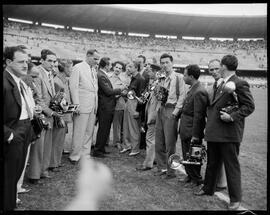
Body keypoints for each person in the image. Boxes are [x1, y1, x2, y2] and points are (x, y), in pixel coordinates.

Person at [195, 55, 255, 210]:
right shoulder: (221, 83)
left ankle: (235, 199)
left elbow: (249, 106)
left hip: (229, 133)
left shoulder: (239, 83)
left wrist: (232, 116)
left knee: (231, 166)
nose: (217, 69)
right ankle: (208, 188)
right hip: (215, 131)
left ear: (223, 66)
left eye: (219, 66)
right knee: (212, 163)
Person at [4, 46, 34, 210]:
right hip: (13, 133)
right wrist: (9, 135)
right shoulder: (5, 81)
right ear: (8, 62)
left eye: (27, 62)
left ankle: (10, 204)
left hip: (24, 128)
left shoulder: (18, 80)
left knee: (15, 174)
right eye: (21, 61)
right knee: (8, 177)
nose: (25, 65)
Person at [28, 49, 59, 183]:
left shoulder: (50, 74)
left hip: (49, 113)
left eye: (54, 61)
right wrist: (51, 112)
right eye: (50, 61)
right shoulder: (37, 72)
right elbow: (38, 98)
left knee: (46, 145)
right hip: (41, 113)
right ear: (42, 60)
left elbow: (49, 96)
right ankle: (34, 175)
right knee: (38, 147)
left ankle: (43, 170)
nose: (52, 63)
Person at [154, 53, 186, 179]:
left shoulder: (179, 77)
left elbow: (182, 96)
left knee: (170, 143)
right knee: (159, 141)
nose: (164, 65)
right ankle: (161, 167)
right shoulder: (161, 78)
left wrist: (175, 112)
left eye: (167, 62)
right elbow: (159, 95)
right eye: (162, 63)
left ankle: (171, 171)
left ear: (172, 63)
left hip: (171, 110)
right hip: (161, 109)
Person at [179, 64, 208, 187]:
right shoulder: (193, 88)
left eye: (185, 75)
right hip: (186, 127)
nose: (183, 77)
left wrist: (196, 135)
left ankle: (196, 179)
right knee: (187, 153)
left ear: (191, 76)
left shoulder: (199, 91)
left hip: (192, 129)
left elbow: (199, 116)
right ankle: (189, 176)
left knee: (193, 156)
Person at [69, 49, 99, 163]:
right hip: (81, 105)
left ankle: (85, 154)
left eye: (98, 59)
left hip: (92, 105)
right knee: (79, 131)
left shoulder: (93, 69)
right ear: (87, 56)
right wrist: (76, 105)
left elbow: (94, 89)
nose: (97, 61)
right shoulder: (78, 67)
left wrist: (95, 104)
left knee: (89, 131)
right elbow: (73, 87)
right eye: (95, 59)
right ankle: (75, 155)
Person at [92, 57, 126, 158]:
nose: (111, 67)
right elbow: (108, 91)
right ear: (105, 65)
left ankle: (101, 149)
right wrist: (120, 89)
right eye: (110, 65)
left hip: (108, 106)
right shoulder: (101, 75)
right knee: (103, 129)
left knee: (105, 129)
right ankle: (98, 151)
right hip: (105, 107)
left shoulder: (102, 74)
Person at [136, 63, 161, 171]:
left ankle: (148, 163)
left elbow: (159, 102)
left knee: (150, 139)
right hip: (149, 114)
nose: (147, 72)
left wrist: (153, 116)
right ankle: (154, 159)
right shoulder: (153, 83)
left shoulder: (159, 84)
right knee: (152, 139)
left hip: (153, 116)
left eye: (149, 70)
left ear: (155, 72)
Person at [207, 59, 227, 191]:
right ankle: (219, 182)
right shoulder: (210, 88)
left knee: (223, 156)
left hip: (225, 127)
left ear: (222, 68)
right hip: (213, 126)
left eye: (216, 69)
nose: (214, 72)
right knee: (214, 156)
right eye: (211, 70)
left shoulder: (229, 85)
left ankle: (221, 182)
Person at [120, 60, 145, 156]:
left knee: (134, 127)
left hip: (134, 105)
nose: (128, 68)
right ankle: (127, 145)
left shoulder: (140, 79)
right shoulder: (133, 78)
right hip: (128, 103)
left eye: (130, 66)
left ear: (136, 68)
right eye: (127, 66)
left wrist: (138, 110)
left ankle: (135, 148)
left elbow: (142, 97)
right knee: (126, 126)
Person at [109, 61, 128, 150]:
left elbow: (125, 91)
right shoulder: (108, 77)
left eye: (120, 68)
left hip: (119, 104)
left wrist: (117, 93)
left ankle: (117, 142)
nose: (118, 69)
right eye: (116, 67)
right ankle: (105, 141)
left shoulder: (124, 79)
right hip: (108, 103)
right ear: (113, 67)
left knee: (118, 124)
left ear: (122, 70)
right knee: (107, 123)